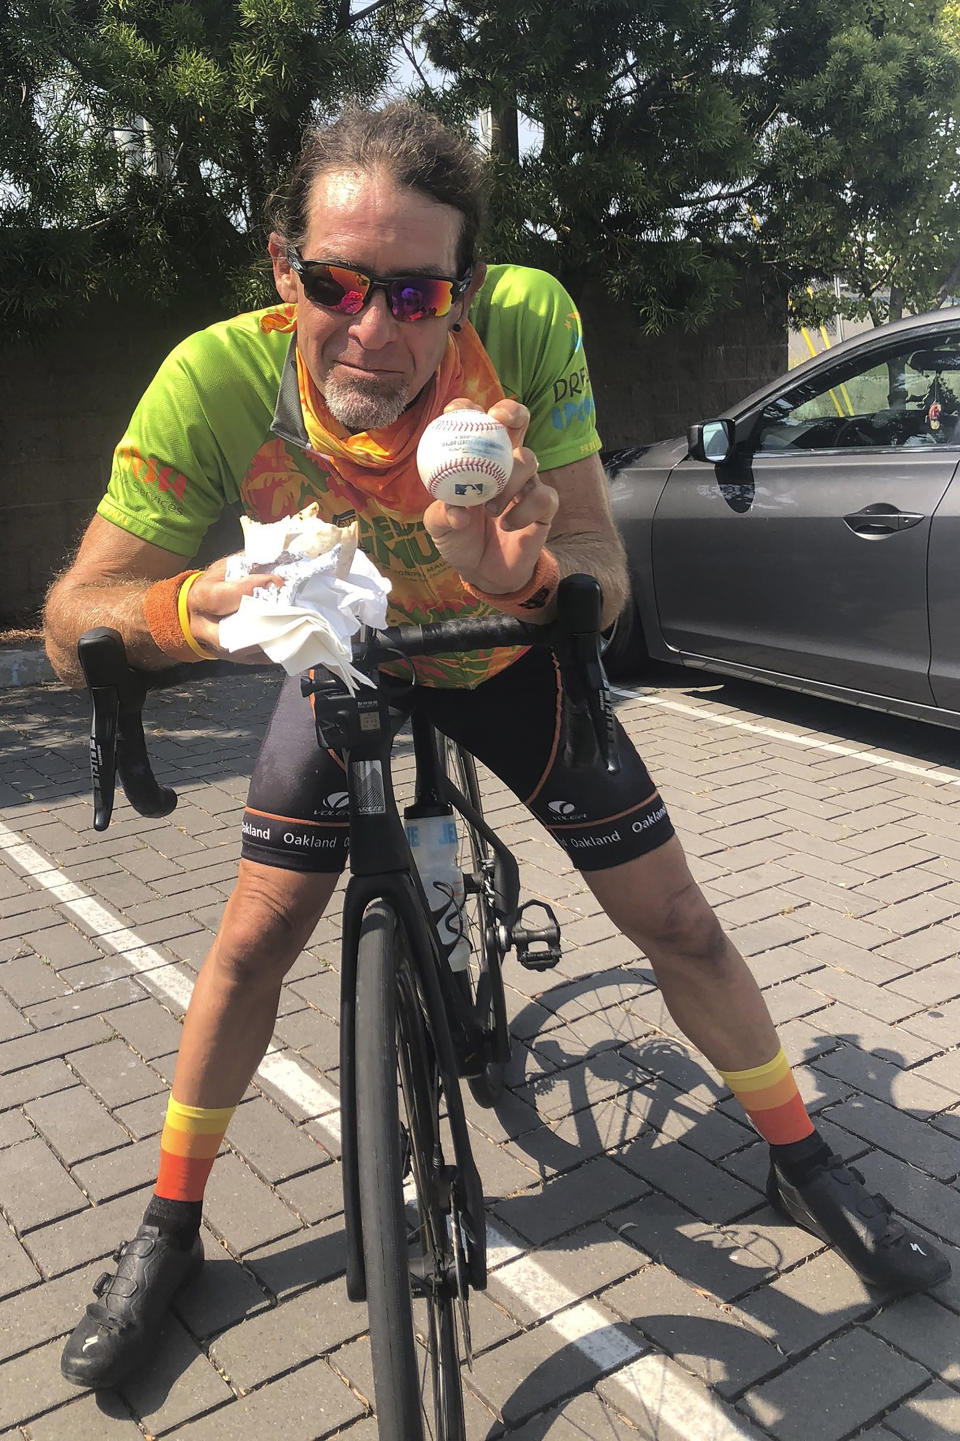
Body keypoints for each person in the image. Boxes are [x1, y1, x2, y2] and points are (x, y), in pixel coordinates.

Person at [45, 102, 948, 1393]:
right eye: (338, 283)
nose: (374, 328)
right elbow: (73, 620)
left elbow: (603, 570)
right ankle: (169, 1226)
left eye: (415, 293)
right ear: (283, 268)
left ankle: (803, 1158)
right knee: (251, 935)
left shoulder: (526, 323)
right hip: (341, 659)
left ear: (464, 288)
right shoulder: (216, 377)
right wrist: (191, 609)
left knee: (680, 920)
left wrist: (529, 577)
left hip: (503, 650)